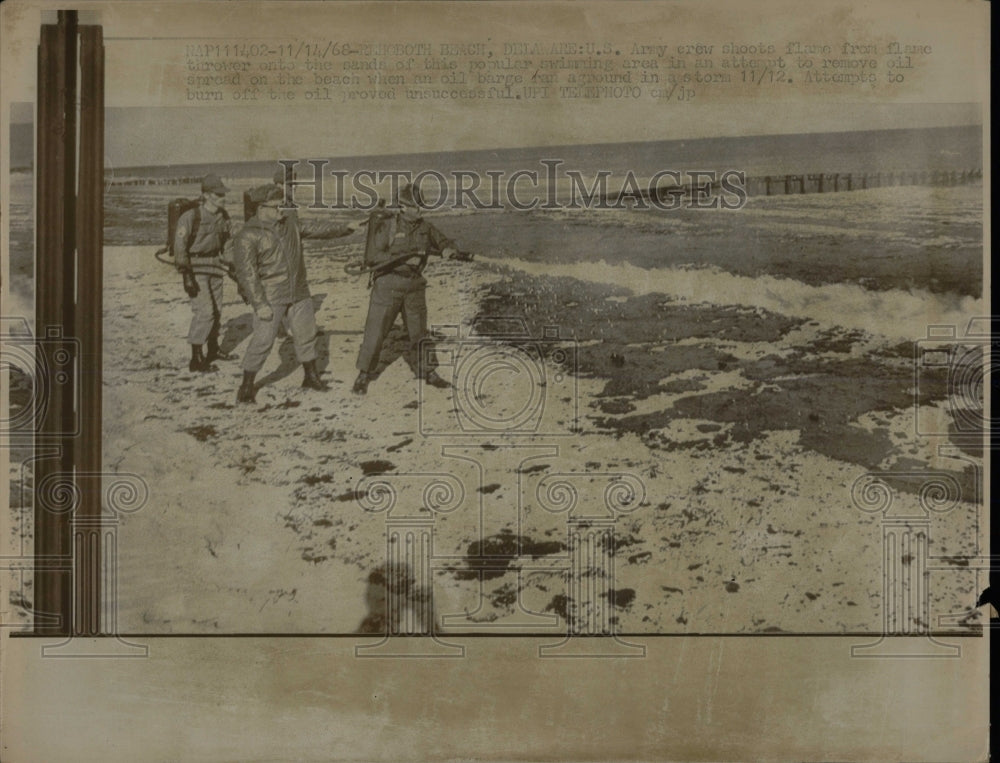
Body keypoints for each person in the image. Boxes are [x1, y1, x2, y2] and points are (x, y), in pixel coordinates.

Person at [232, 184, 359, 403]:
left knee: (306, 334)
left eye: (283, 205)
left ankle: (310, 377)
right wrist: (259, 304)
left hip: (299, 291)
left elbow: (317, 229)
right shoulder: (247, 235)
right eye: (276, 206)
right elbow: (247, 274)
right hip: (271, 297)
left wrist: (347, 227)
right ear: (261, 208)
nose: (282, 210)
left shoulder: (290, 224)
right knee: (262, 341)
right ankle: (246, 387)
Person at [352, 183, 457, 395]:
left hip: (414, 286)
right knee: (376, 331)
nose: (420, 210)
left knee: (419, 331)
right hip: (388, 284)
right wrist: (406, 257)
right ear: (403, 207)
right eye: (416, 206)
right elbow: (374, 257)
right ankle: (363, 375)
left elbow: (443, 240)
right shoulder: (388, 226)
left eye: (421, 206)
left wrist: (447, 249)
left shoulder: (425, 227)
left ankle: (429, 372)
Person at [175, 173, 233, 372]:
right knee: (205, 312)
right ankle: (196, 358)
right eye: (218, 194)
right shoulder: (191, 217)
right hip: (196, 267)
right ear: (207, 195)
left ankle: (213, 349)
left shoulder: (223, 216)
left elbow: (228, 243)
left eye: (222, 193)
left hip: (215, 265)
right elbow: (180, 247)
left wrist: (233, 265)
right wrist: (186, 275)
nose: (223, 197)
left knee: (217, 310)